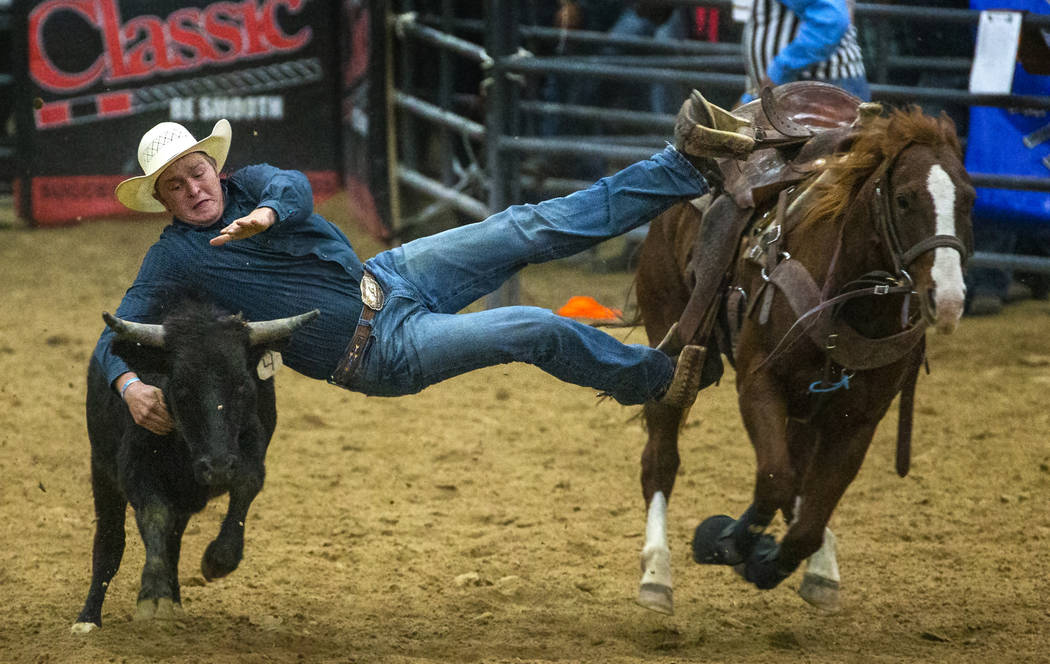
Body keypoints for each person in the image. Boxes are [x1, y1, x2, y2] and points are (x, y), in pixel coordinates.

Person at [94, 92, 751, 435]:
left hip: (390, 276)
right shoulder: (173, 262)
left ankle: (684, 165)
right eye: (175, 187)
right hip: (379, 351)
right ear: (162, 202)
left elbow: (292, 189)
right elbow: (111, 337)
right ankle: (658, 380)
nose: (194, 189)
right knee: (530, 328)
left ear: (214, 165)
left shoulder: (255, 184)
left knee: (525, 225)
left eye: (197, 172)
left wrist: (264, 216)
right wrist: (128, 386)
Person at [740, 0, 869, 104]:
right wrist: (755, 96)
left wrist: (778, 72)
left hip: (818, 88)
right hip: (799, 90)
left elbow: (831, 20)